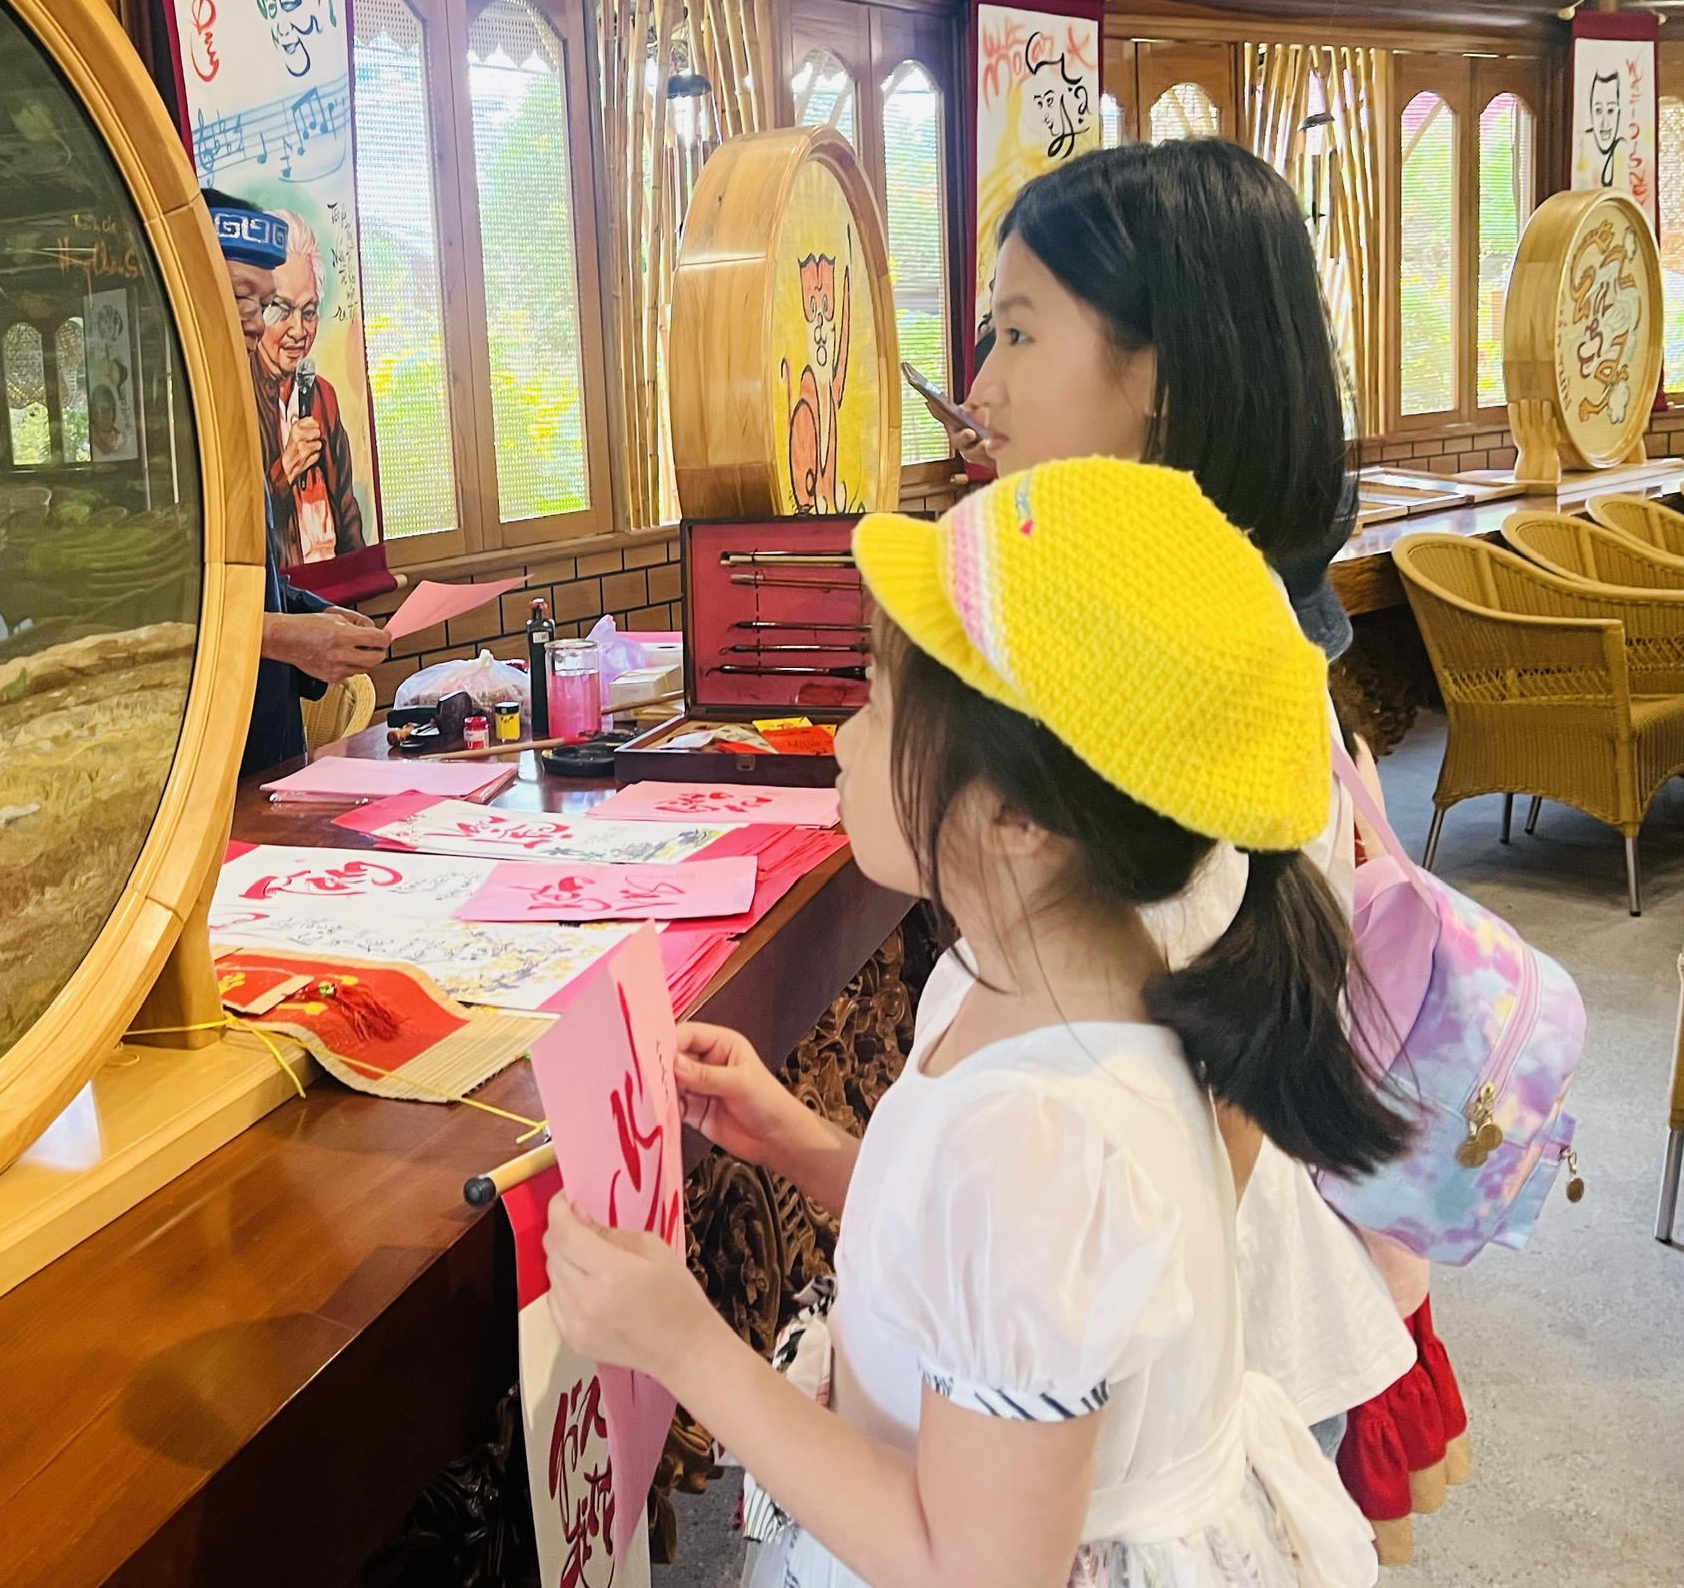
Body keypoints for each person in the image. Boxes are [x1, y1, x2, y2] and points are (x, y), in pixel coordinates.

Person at [543, 457, 1401, 1588]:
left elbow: (974, 1568)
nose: (843, 740)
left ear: (1015, 816)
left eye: (874, 701)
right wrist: (800, 1142)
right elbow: (979, 1271)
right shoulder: (1052, 987)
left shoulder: (1040, 1135)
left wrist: (685, 1345)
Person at [957, 137, 1463, 1558]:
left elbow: (1206, 1138)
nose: (978, 389)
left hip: (1163, 1380)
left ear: (1160, 378)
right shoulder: (1169, 652)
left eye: (1015, 333)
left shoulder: (1216, 698)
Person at [205, 191, 386, 773]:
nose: (260, 324)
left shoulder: (296, 405)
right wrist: (289, 639)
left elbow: (254, 583)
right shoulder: (165, 441)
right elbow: (161, 627)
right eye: (244, 298)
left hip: (272, 746)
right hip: (211, 760)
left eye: (269, 304)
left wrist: (318, 616)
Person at [249, 212, 365, 566]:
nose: (298, 330)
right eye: (281, 310)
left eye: (309, 312)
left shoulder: (322, 395)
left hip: (334, 594)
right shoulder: (236, 397)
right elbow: (234, 523)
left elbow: (346, 508)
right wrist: (283, 471)